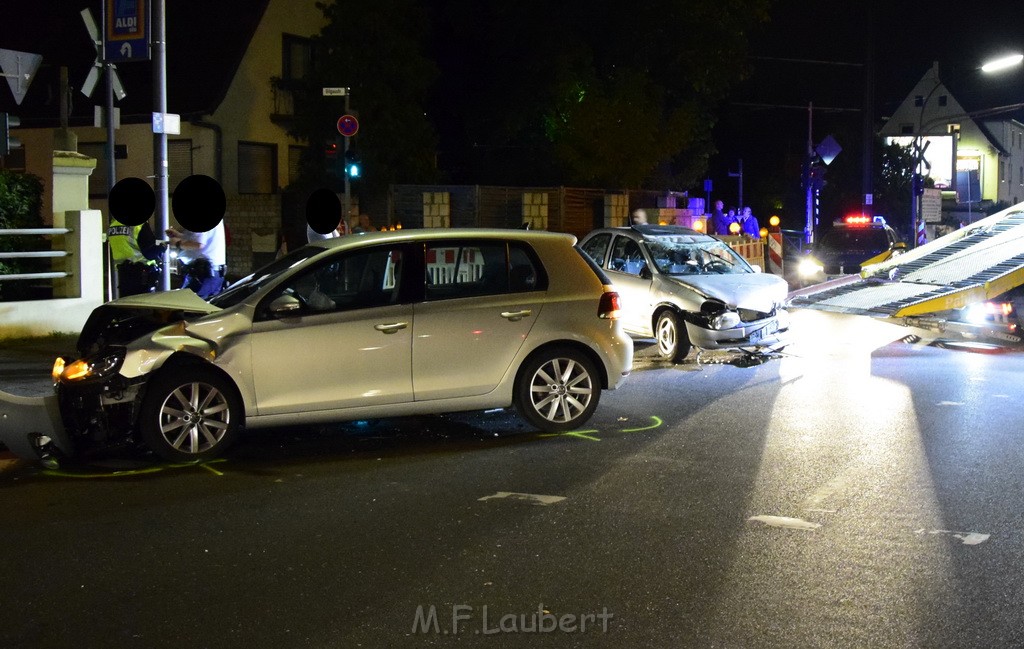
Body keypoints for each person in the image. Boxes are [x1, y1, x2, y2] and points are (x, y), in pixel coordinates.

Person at [166, 221, 228, 298]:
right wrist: (180, 235)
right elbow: (199, 238)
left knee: (187, 305)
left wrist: (177, 244)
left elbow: (199, 244)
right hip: (209, 273)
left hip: (202, 274)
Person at [107, 217, 165, 297]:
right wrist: (163, 246)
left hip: (124, 275)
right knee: (142, 307)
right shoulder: (138, 225)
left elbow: (140, 242)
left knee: (128, 305)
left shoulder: (113, 225)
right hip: (141, 276)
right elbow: (150, 251)